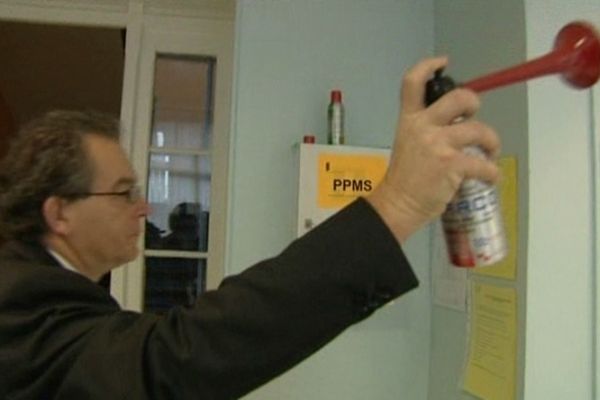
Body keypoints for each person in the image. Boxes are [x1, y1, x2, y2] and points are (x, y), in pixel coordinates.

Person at [0, 57, 500, 399]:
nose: (144, 208)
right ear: (59, 213)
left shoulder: (46, 292)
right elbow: (170, 363)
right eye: (124, 191)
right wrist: (400, 203)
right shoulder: (20, 303)